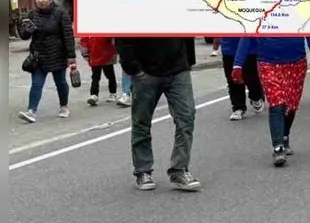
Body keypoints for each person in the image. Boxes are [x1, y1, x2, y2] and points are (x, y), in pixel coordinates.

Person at [116, 37, 201, 191]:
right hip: (146, 71)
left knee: (186, 117)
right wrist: (132, 67)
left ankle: (179, 169)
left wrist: (188, 60)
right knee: (141, 122)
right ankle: (143, 171)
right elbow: (123, 34)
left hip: (178, 68)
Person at [233, 36, 310, 166]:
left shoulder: (300, 14)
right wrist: (237, 64)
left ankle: (284, 135)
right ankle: (278, 147)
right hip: (267, 62)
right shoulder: (261, 14)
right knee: (277, 103)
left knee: (291, 105)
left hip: (296, 62)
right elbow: (247, 35)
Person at [17, 0, 78, 123]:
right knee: (36, 84)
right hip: (38, 56)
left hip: (57, 54)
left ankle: (63, 107)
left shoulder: (61, 14)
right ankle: (31, 111)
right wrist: (25, 30)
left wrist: (71, 57)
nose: (41, 1)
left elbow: (68, 36)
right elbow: (24, 36)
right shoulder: (32, 15)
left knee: (60, 82)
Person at [219, 36, 265, 121]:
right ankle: (238, 107)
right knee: (233, 79)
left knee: (251, 78)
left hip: (249, 47)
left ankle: (256, 96)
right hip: (229, 47)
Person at [79, 36, 118, 106]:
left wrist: (115, 51)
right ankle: (94, 95)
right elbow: (84, 41)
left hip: (107, 56)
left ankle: (113, 93)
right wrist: (85, 53)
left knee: (110, 75)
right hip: (94, 57)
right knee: (95, 77)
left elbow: (112, 40)